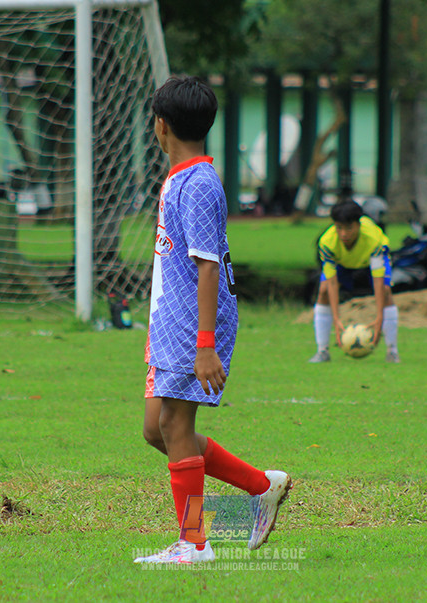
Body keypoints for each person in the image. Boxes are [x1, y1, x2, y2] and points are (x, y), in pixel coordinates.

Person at [134, 76, 291, 566]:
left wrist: (205, 345)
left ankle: (194, 543)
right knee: (157, 430)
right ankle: (261, 486)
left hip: (192, 327)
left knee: (175, 424)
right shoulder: (182, 177)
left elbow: (207, 267)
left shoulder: (199, 184)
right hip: (173, 321)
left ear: (161, 126)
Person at [309, 198, 400, 363]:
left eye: (349, 228)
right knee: (323, 291)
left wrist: (379, 319)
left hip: (369, 262)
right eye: (339, 228)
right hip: (342, 262)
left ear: (359, 224)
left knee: (386, 291)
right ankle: (322, 351)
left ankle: (392, 351)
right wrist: (336, 319)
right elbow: (332, 283)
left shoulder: (374, 240)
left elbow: (378, 281)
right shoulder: (327, 243)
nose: (343, 234)